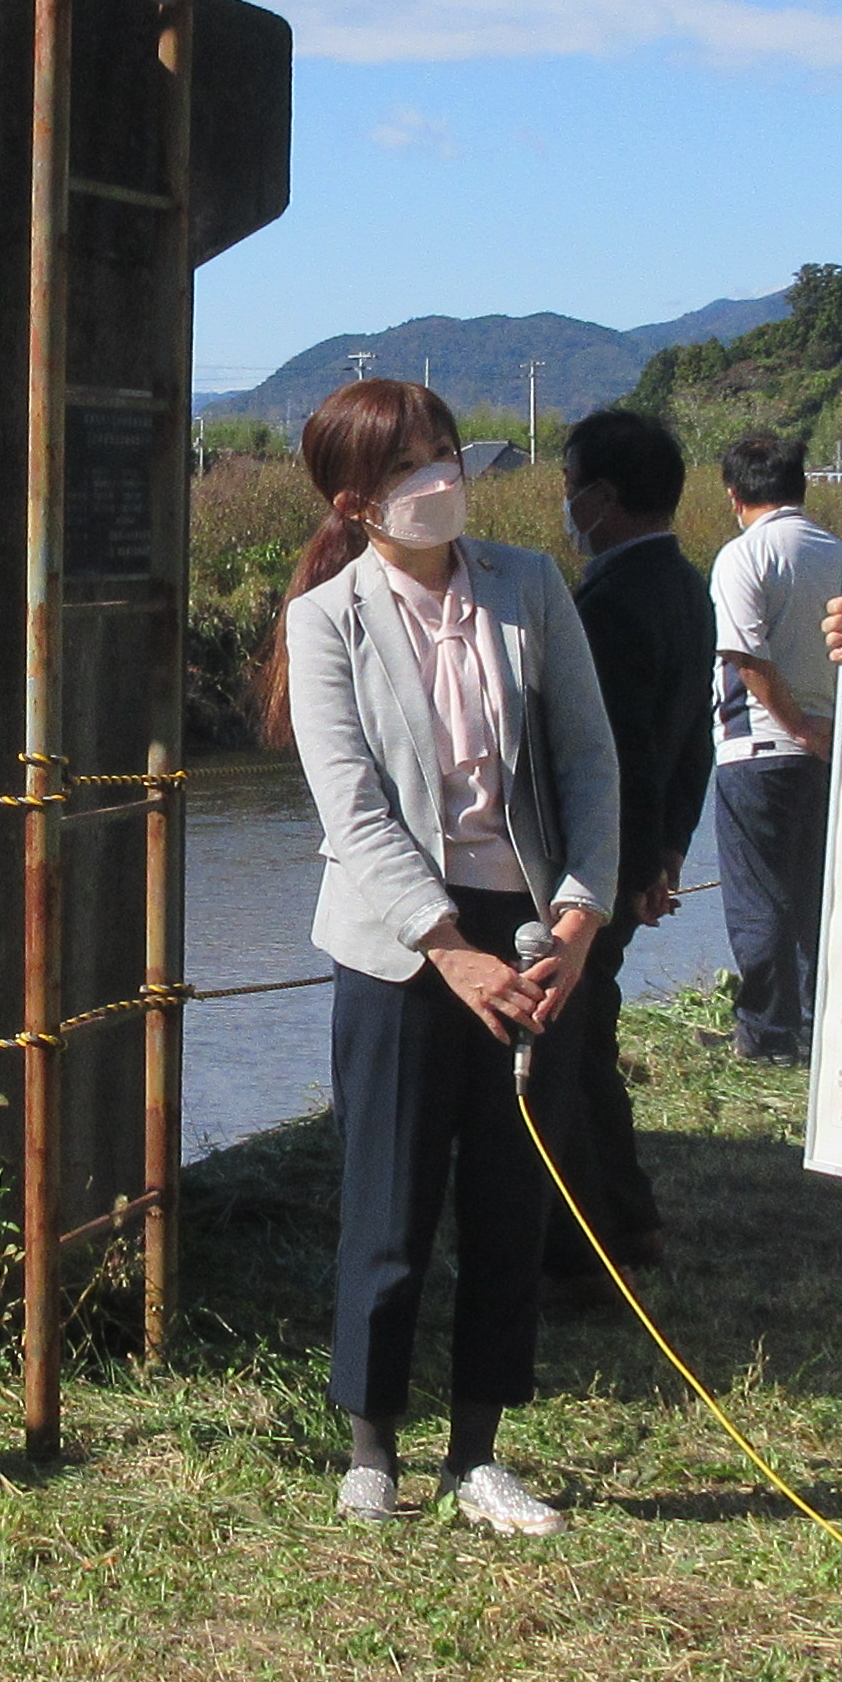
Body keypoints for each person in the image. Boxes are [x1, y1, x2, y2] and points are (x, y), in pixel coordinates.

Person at [267, 378, 618, 1533]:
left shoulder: (528, 585)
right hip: (397, 945)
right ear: (358, 499)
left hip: (531, 934)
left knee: (513, 1194)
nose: (442, 479)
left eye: (447, 453)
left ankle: (480, 1453)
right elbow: (352, 809)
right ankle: (372, 1445)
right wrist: (447, 952)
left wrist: (576, 918)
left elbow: (588, 763)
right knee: (391, 1191)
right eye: (413, 465)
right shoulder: (329, 619)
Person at [539, 404, 711, 1293]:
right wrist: (669, 852)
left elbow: (614, 761)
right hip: (638, 861)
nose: (567, 508)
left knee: (566, 1051)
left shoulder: (605, 603)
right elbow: (693, 745)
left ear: (603, 496)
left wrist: (600, 878)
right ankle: (628, 1216)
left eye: (570, 490)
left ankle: (585, 1238)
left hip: (592, 872)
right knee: (590, 1037)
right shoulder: (686, 585)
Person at [698, 432, 835, 1064]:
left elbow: (746, 657)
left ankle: (765, 1035)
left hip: (761, 745)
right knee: (810, 894)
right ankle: (812, 1025)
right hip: (828, 750)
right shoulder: (838, 551)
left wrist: (796, 724)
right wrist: (819, 731)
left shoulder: (744, 556)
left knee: (757, 900)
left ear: (735, 495)